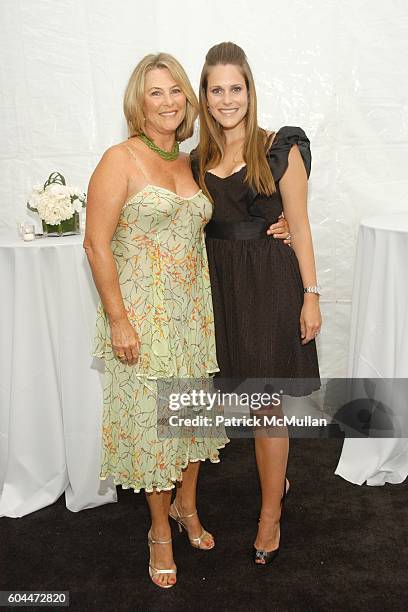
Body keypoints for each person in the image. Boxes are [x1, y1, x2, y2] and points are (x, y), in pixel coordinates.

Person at [83, 52, 291, 588]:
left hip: (196, 316)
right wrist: (118, 320)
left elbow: (228, 213)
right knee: (157, 429)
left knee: (192, 422)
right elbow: (96, 244)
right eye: (157, 92)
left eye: (177, 90)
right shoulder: (120, 158)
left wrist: (282, 221)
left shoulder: (191, 161)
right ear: (139, 101)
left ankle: (187, 506)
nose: (170, 101)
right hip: (143, 318)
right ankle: (159, 528)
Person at [191, 42, 321, 565]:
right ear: (204, 96)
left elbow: (303, 224)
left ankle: (271, 516)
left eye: (235, 88)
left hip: (269, 287)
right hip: (218, 289)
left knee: (267, 405)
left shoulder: (279, 147)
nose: (227, 99)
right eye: (216, 89)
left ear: (250, 89)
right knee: (227, 401)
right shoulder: (196, 160)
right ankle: (273, 481)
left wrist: (311, 296)